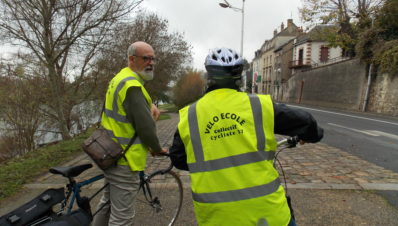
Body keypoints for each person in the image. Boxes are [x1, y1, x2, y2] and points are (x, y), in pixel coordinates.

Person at [169, 47, 323, 226]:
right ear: (239, 78)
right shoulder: (260, 105)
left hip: (216, 217)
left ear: (208, 77)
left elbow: (178, 158)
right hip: (267, 215)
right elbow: (307, 122)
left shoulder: (190, 115)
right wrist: (313, 135)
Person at [93, 41, 167, 226]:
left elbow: (124, 108)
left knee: (107, 205)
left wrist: (147, 104)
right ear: (132, 59)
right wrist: (156, 148)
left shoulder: (120, 78)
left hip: (110, 153)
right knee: (122, 218)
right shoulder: (132, 86)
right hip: (125, 159)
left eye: (152, 58)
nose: (151, 62)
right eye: (146, 58)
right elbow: (146, 127)